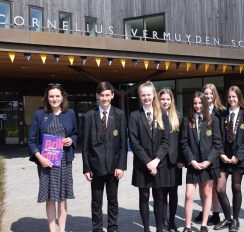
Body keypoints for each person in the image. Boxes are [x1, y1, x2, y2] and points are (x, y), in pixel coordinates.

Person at [28, 83, 78, 232]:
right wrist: (40, 158)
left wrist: (71, 140)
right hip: (46, 162)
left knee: (62, 199)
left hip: (64, 161)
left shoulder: (70, 114)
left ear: (62, 97)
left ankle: (61, 230)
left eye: (57, 96)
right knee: (50, 199)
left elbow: (75, 133)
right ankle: (52, 230)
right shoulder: (39, 115)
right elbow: (31, 141)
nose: (54, 99)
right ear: (47, 98)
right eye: (51, 96)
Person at [82, 82, 127, 232]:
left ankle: (113, 227)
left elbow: (122, 144)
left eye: (107, 95)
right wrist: (86, 168)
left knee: (113, 200)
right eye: (102, 95)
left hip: (114, 167)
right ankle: (97, 228)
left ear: (112, 95)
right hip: (95, 166)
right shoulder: (89, 116)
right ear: (97, 96)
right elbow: (85, 145)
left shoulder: (119, 114)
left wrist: (121, 166)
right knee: (96, 201)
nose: (104, 98)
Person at [128, 81, 170, 232]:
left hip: (160, 163)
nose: (146, 97)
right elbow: (134, 143)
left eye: (148, 95)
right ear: (139, 96)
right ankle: (146, 229)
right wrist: (148, 162)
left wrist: (156, 160)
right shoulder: (134, 116)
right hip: (142, 164)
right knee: (144, 196)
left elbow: (166, 141)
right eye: (143, 95)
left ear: (154, 96)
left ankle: (159, 228)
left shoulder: (162, 115)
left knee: (159, 195)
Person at [214, 86, 244, 232]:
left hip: (239, 157)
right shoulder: (222, 115)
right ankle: (227, 218)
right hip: (223, 158)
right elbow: (217, 137)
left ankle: (235, 220)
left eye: (234, 96)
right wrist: (221, 154)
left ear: (239, 97)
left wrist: (237, 156)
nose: (231, 99)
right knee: (219, 189)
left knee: (236, 187)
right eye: (229, 97)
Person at [181, 91, 222, 232]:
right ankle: (187, 226)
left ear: (204, 104)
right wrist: (191, 160)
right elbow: (184, 143)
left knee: (206, 194)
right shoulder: (187, 121)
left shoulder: (213, 120)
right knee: (188, 195)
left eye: (200, 103)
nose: (198, 106)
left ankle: (204, 224)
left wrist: (208, 161)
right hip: (193, 164)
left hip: (208, 165)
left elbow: (218, 144)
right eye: (195, 103)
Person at [193, 83, 226, 226]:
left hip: (219, 155)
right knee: (204, 186)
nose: (208, 96)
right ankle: (206, 211)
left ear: (214, 95)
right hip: (204, 156)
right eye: (205, 93)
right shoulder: (198, 112)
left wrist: (221, 153)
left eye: (210, 93)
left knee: (216, 188)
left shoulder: (221, 111)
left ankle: (216, 213)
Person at [158, 88, 184, 232]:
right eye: (163, 99)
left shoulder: (179, 117)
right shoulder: (155, 116)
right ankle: (163, 222)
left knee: (173, 193)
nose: (166, 102)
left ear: (172, 101)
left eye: (168, 99)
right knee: (161, 193)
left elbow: (182, 141)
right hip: (160, 161)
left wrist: (182, 159)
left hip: (175, 162)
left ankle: (172, 221)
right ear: (159, 100)